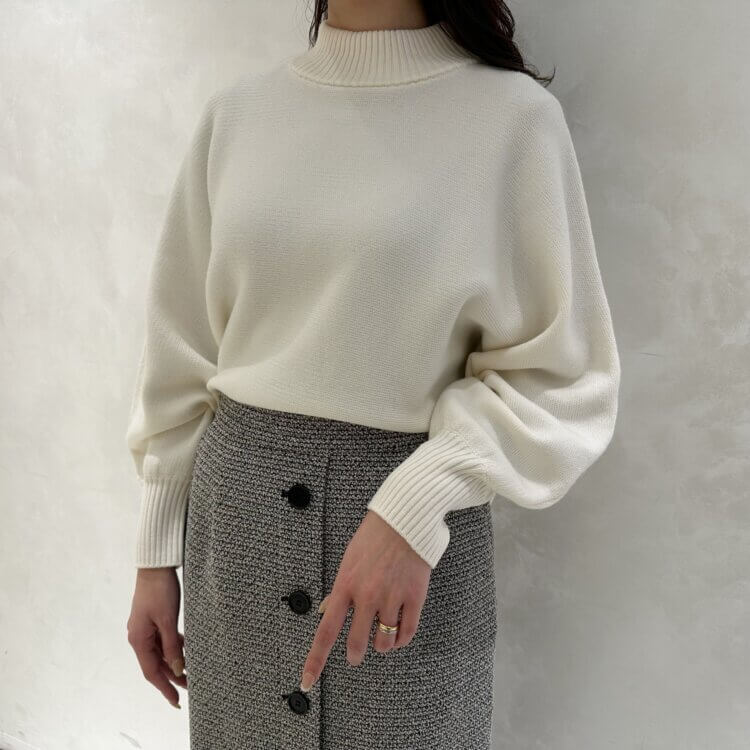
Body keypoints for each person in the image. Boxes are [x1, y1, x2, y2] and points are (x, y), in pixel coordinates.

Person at [125, 2, 621, 748]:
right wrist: (155, 553)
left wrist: (413, 507)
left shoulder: (513, 121)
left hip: (412, 542)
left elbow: (561, 375)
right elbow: (181, 350)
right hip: (235, 538)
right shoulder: (238, 116)